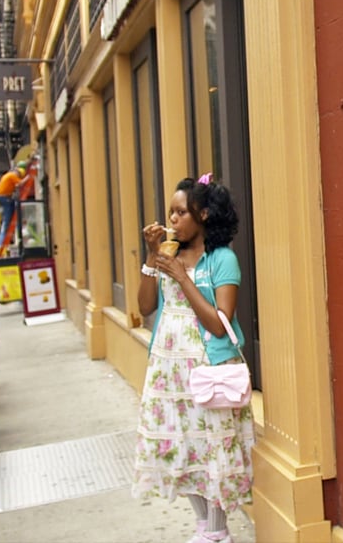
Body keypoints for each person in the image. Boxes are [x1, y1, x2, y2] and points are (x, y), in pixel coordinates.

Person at [131, 175, 254, 543]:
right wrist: (153, 256)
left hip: (209, 369)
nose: (172, 219)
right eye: (170, 211)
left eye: (180, 212)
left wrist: (184, 278)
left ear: (203, 214)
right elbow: (144, 307)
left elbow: (220, 324)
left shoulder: (222, 259)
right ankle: (205, 527)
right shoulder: (169, 255)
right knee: (182, 449)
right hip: (169, 374)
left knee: (212, 449)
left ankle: (217, 532)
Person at [0, 160, 32, 249]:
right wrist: (28, 177)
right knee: (7, 222)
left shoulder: (8, 175)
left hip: (2, 197)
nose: (19, 177)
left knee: (9, 216)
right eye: (19, 175)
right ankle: (1, 243)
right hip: (4, 197)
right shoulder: (12, 175)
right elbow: (20, 183)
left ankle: (4, 238)